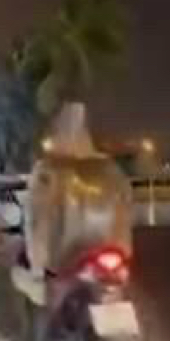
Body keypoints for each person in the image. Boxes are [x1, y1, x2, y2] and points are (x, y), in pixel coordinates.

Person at [20, 103, 133, 289]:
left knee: (47, 302)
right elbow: (125, 212)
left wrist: (37, 269)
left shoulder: (47, 170)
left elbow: (37, 221)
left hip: (65, 265)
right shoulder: (112, 170)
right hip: (113, 261)